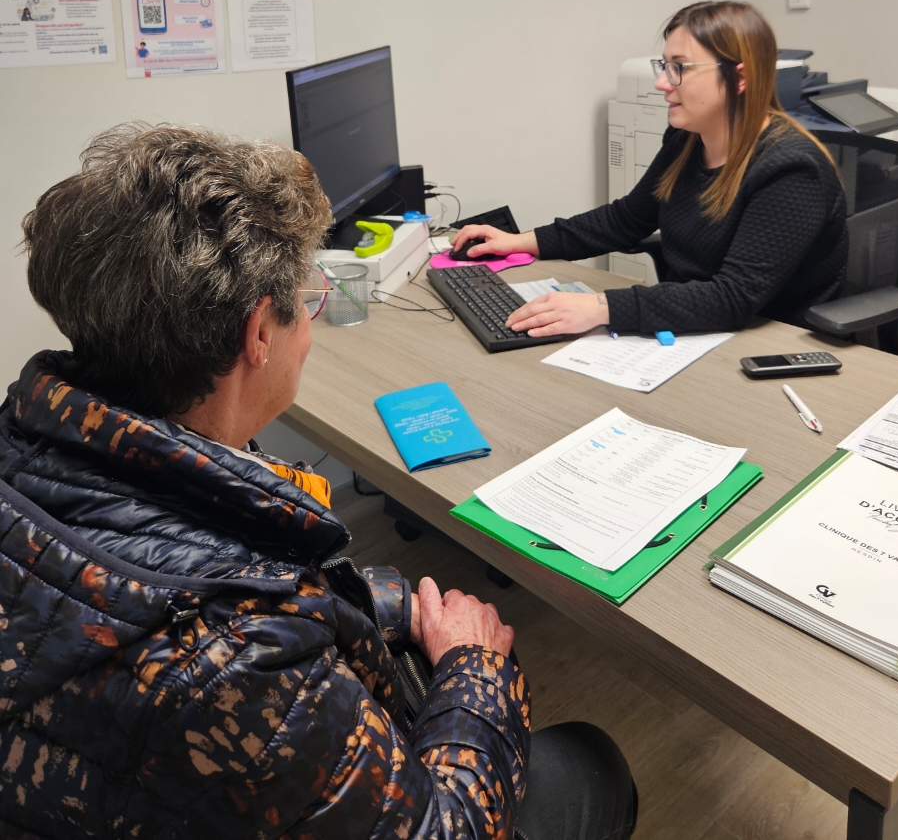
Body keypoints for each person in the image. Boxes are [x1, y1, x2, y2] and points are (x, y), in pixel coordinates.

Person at [0, 123, 637, 840]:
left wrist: (384, 604)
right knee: (593, 761)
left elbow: (253, 579)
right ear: (258, 335)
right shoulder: (238, 654)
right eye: (304, 300)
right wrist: (472, 665)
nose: (310, 319)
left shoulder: (26, 445)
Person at [452, 0, 847, 339]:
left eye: (679, 67)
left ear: (739, 77)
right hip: (695, 331)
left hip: (768, 343)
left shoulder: (792, 169)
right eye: (664, 65)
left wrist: (600, 306)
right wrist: (519, 241)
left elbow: (734, 297)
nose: (661, 82)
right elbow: (626, 219)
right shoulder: (687, 139)